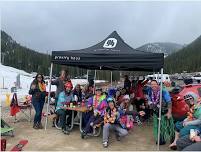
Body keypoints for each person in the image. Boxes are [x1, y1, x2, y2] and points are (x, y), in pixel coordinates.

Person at [147, 80, 174, 145]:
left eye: (155, 84)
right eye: (152, 84)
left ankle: (173, 140)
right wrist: (150, 104)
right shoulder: (150, 91)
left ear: (158, 84)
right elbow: (149, 100)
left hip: (165, 112)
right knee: (158, 126)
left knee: (168, 127)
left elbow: (169, 102)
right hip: (156, 112)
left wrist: (169, 113)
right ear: (150, 85)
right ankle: (161, 139)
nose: (153, 85)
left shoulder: (163, 91)